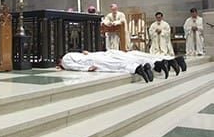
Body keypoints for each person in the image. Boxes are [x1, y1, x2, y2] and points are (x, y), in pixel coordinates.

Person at [56, 50, 186, 82]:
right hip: (98, 56)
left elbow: (72, 66)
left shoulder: (66, 59)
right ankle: (163, 62)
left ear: (59, 62)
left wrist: (85, 68)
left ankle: (139, 68)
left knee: (116, 65)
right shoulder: (72, 54)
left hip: (92, 60)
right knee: (130, 57)